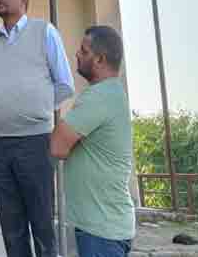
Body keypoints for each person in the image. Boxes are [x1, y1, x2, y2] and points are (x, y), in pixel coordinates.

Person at [0, 0, 74, 257]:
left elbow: (65, 84)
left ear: (24, 0)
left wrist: (35, 108)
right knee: (11, 226)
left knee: (41, 222)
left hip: (35, 141)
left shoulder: (44, 31)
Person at [50, 26, 135, 257]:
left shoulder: (100, 96)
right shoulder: (111, 93)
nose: (77, 54)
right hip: (104, 227)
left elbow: (57, 146)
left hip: (101, 231)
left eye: (84, 51)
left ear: (99, 59)